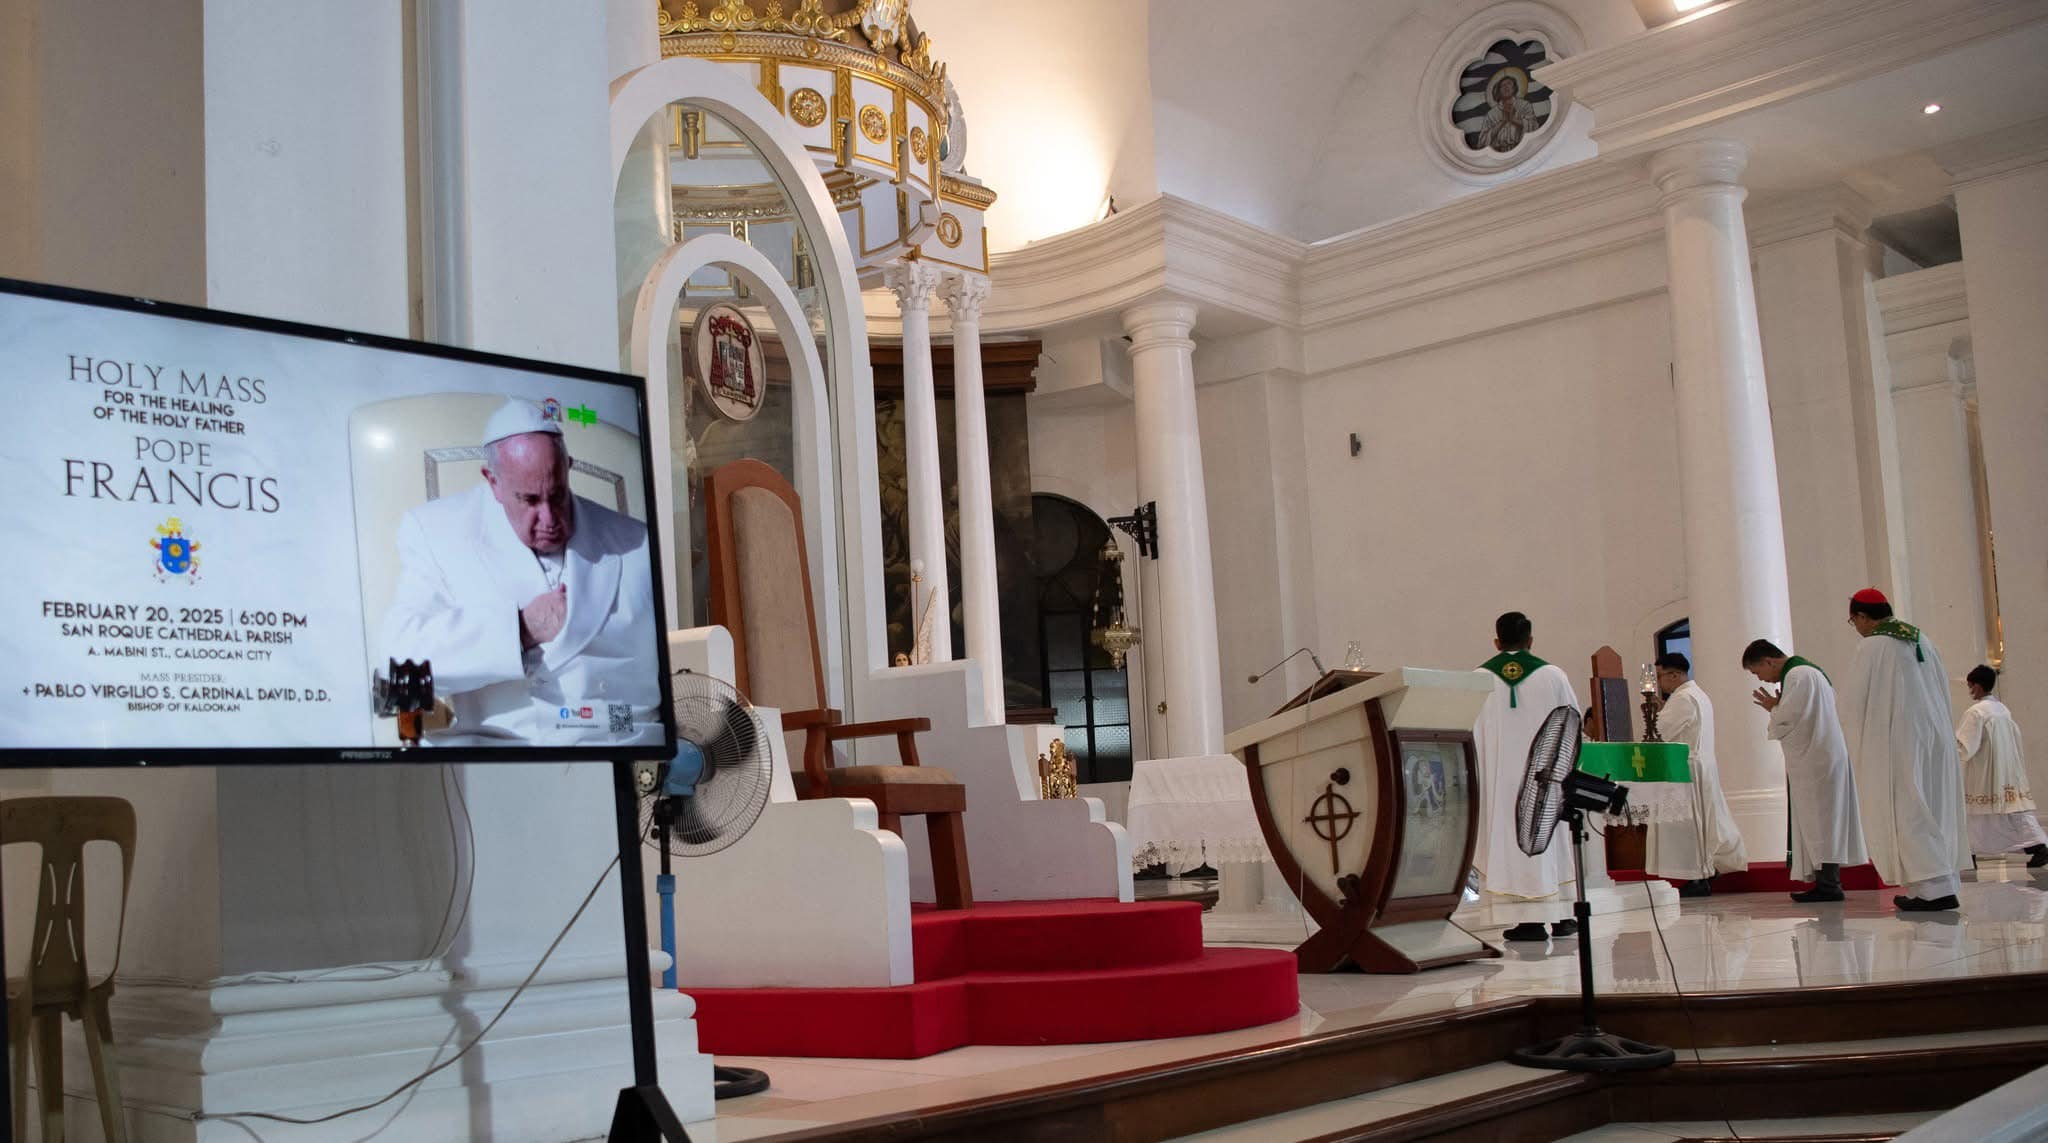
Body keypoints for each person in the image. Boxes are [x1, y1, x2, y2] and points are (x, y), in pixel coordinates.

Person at [380, 398, 663, 747]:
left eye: (557, 495)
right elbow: (398, 662)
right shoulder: (435, 532)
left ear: (568, 468)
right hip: (501, 749)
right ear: (492, 482)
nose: (549, 518)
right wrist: (520, 629)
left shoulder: (637, 543)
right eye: (529, 500)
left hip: (617, 744)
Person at [1836, 588, 1971, 912]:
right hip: (1934, 738)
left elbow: (1852, 703)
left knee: (1907, 810)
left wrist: (1857, 738)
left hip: (1897, 742)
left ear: (1863, 616)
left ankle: (1933, 889)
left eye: (1853, 621)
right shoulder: (1922, 640)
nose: (1856, 627)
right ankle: (1938, 885)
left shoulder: (1873, 646)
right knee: (1933, 807)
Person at [1473, 611, 1582, 940]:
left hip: (1499, 782)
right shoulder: (1554, 676)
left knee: (1508, 842)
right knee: (1548, 838)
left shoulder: (1478, 679)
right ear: (1530, 640)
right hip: (1546, 778)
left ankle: (1528, 922)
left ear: (1496, 642)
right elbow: (1572, 726)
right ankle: (1562, 916)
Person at [1745, 639, 1867, 903]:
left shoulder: (1798, 676)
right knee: (1823, 822)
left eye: (1757, 672)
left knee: (1821, 822)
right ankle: (1827, 883)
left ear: (1768, 661)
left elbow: (1788, 719)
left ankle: (1829, 885)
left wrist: (1773, 708)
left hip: (1817, 761)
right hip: (1822, 757)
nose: (1761, 679)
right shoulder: (1808, 672)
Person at [1647, 652, 1749, 897]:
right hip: (1699, 765)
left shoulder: (1682, 698)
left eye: (1660, 676)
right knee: (1701, 823)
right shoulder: (1698, 694)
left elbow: (1661, 733)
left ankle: (1696, 877)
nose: (1658, 683)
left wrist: (1655, 715)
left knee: (1689, 826)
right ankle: (1702, 872)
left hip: (1686, 768)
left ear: (1674, 674)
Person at [1956, 665, 2048, 867]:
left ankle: (1969, 856)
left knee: (1975, 815)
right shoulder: (2002, 709)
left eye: (1970, 686)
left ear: (1977, 686)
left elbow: (1965, 747)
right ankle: (2037, 847)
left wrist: (1948, 752)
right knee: (2013, 814)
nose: (1970, 690)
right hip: (2007, 771)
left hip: (1985, 773)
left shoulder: (1975, 712)